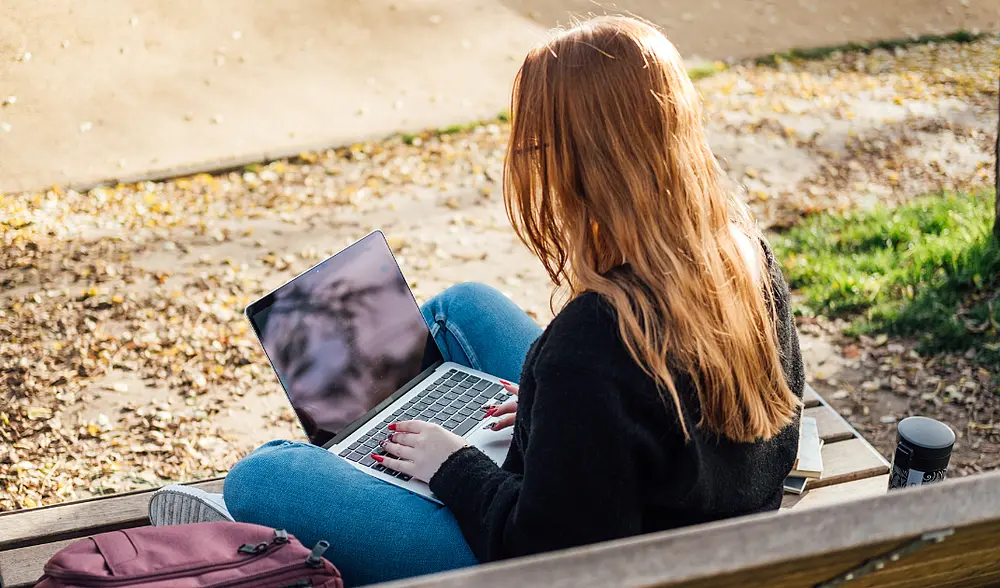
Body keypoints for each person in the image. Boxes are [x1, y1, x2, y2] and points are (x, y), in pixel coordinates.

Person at [148, 15, 804, 587]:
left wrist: (454, 465)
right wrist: (561, 423)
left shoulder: (592, 342)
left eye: (536, 146)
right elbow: (697, 422)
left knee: (264, 476)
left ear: (580, 164)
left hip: (565, 566)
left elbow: (544, 559)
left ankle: (345, 502)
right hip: (699, 524)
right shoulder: (746, 259)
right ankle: (375, 466)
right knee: (463, 306)